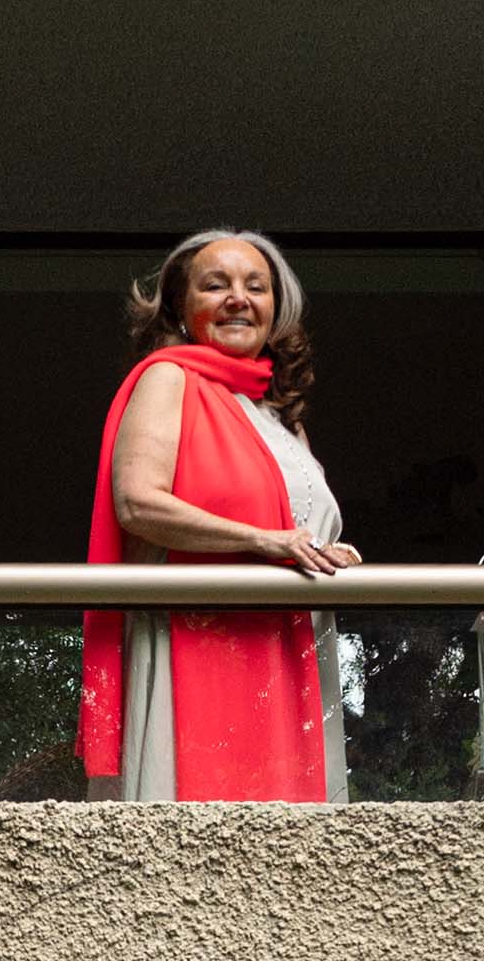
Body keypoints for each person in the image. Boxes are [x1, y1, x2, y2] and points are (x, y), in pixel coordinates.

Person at [78, 228, 363, 802]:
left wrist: (322, 551)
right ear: (181, 308)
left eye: (256, 287)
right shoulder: (168, 379)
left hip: (286, 652)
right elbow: (138, 501)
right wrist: (264, 540)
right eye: (216, 285)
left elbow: (300, 532)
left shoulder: (281, 418)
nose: (238, 298)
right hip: (195, 641)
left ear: (275, 310)